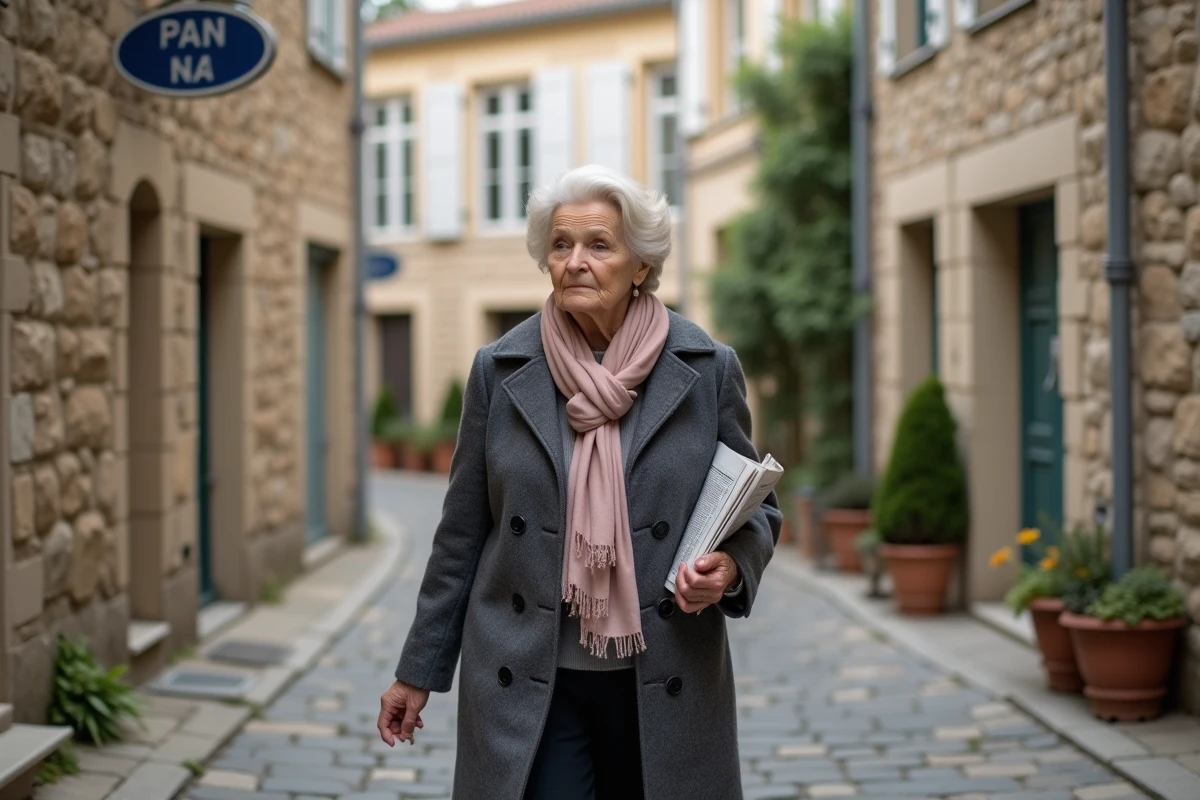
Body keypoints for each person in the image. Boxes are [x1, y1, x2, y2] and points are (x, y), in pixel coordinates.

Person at [377, 164, 782, 800]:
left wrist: (728, 567)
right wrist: (416, 672)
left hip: (664, 672)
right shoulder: (502, 369)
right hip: (526, 677)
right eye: (561, 245)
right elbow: (461, 535)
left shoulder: (705, 368)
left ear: (641, 266)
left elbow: (756, 508)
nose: (574, 262)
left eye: (598, 245)